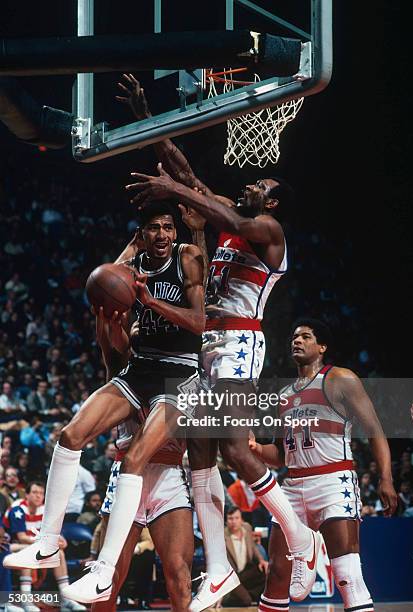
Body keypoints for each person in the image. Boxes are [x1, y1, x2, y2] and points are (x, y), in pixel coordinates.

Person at [118, 74, 319, 609]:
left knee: (232, 446)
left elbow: (214, 208)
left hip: (239, 345)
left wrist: (174, 192)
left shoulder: (269, 235)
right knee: (201, 453)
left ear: (273, 206)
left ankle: (300, 536)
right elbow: (186, 173)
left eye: (266, 186)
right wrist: (147, 119)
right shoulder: (235, 221)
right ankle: (218, 571)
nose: (257, 183)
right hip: (209, 345)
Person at [3, 203, 204, 612]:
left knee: (179, 579)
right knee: (70, 435)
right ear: (141, 235)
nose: (163, 234)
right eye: (153, 228)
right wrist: (108, 308)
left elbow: (200, 323)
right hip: (140, 393)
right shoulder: (124, 349)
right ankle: (46, 543)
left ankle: (102, 567)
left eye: (168, 226)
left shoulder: (186, 258)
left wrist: (149, 299)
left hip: (175, 404)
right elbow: (107, 298)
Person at [248, 318, 397, 612]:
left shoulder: (340, 378)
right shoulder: (284, 395)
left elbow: (375, 429)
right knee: (277, 573)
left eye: (305, 336)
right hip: (292, 486)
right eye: (294, 337)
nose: (297, 341)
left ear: (322, 347)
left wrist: (386, 478)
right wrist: (254, 448)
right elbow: (280, 454)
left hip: (332, 481)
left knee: (347, 576)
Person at [86, 300, 195, 612]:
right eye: (137, 324)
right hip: (126, 476)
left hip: (169, 475)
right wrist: (104, 316)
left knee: (179, 576)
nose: (141, 328)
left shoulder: (182, 368)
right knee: (108, 579)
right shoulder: (123, 366)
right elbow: (108, 340)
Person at [2, 481, 86, 611]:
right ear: (27, 495)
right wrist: (46, 543)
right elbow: (21, 537)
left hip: (36, 546)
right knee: (28, 550)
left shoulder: (45, 510)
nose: (38, 496)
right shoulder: (17, 509)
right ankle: (26, 599)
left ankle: (66, 598)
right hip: (11, 546)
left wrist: (60, 540)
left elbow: (53, 533)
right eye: (35, 492)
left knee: (60, 553)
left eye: (41, 493)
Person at [223, 506, 268, 607]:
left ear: (241, 519)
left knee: (266, 571)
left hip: (245, 572)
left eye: (236, 518)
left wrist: (261, 560)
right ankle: (233, 596)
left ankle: (245, 594)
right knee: (246, 601)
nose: (234, 521)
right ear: (226, 521)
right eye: (230, 518)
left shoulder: (247, 527)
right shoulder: (222, 536)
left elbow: (253, 546)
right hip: (232, 576)